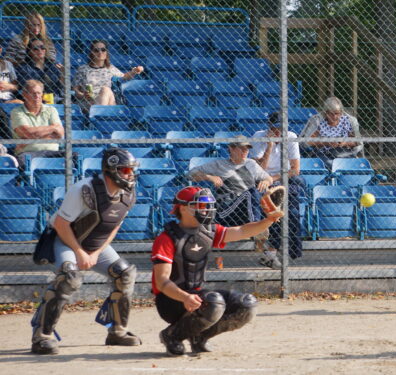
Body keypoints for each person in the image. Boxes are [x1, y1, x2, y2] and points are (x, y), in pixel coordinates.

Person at [30, 148, 142, 354]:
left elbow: (114, 225)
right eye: (125, 170)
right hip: (65, 240)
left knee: (125, 274)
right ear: (111, 170)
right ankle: (41, 336)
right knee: (70, 278)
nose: (130, 174)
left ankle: (117, 332)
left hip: (94, 244)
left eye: (132, 170)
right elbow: (62, 224)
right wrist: (79, 252)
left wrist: (96, 253)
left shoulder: (128, 193)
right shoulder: (84, 189)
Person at [152, 186, 283, 356]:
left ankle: (199, 337)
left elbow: (242, 231)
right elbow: (162, 282)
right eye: (200, 206)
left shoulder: (208, 231)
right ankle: (172, 336)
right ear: (182, 208)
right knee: (213, 302)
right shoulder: (166, 238)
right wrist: (185, 297)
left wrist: (269, 220)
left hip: (196, 295)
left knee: (245, 305)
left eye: (207, 206)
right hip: (171, 301)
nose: (206, 210)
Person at [251, 111, 305, 267]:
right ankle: (272, 253)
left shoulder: (291, 137)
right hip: (262, 179)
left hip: (284, 178)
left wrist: (273, 179)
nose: (278, 132)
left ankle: (281, 252)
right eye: (275, 128)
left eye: (281, 128)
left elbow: (295, 169)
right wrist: (269, 146)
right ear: (269, 127)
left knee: (292, 212)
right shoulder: (259, 136)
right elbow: (259, 168)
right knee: (275, 210)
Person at [188, 136, 274, 229]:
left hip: (248, 208)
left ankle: (273, 236)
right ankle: (256, 228)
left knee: (271, 194)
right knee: (251, 193)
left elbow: (269, 179)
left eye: (247, 149)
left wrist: (266, 181)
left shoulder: (251, 163)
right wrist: (208, 177)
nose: (245, 151)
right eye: (242, 148)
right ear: (231, 149)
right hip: (227, 210)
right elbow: (190, 175)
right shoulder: (219, 165)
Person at [72, 40, 143, 109]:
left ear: (106, 53)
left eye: (103, 50)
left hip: (107, 99)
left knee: (106, 90)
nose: (100, 52)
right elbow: (75, 90)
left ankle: (99, 116)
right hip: (89, 102)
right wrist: (83, 95)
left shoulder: (110, 68)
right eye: (96, 50)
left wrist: (134, 71)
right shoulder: (83, 69)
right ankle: (104, 116)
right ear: (91, 53)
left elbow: (124, 77)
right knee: (106, 91)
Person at [11, 79, 64, 166]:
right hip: (29, 154)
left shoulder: (51, 110)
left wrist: (28, 140)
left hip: (52, 153)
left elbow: (60, 133)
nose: (37, 96)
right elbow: (27, 133)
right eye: (33, 93)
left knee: (73, 158)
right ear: (24, 94)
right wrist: (53, 128)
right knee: (22, 161)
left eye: (39, 93)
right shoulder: (17, 111)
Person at [300, 96, 363, 168]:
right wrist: (326, 143)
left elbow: (357, 142)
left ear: (341, 112)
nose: (334, 116)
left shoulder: (348, 121)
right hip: (324, 153)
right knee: (329, 164)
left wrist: (344, 143)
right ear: (326, 112)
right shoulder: (319, 122)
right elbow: (306, 142)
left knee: (349, 164)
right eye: (331, 113)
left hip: (343, 152)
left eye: (337, 113)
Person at [16, 39, 63, 103]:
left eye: (42, 47)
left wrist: (63, 74)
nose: (40, 50)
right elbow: (26, 87)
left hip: (53, 99)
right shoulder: (24, 68)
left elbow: (61, 86)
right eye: (36, 49)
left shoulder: (53, 66)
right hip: (33, 99)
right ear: (29, 52)